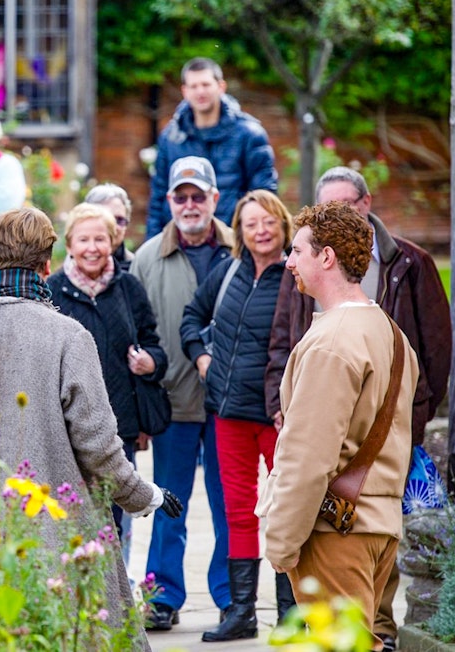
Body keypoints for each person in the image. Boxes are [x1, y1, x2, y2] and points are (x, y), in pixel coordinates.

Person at [0, 207, 183, 649]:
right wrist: (144, 495)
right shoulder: (67, 334)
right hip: (52, 537)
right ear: (48, 263)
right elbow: (99, 448)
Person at [264, 166, 452, 652]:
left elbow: (308, 457)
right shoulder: (390, 333)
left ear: (325, 258)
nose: (289, 262)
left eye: (298, 251)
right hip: (380, 524)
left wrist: (282, 542)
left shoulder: (331, 343)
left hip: (336, 531)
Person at [179, 189, 295, 641]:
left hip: (277, 416)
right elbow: (192, 316)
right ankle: (242, 612)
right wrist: (201, 357)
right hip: (227, 413)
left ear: (283, 226)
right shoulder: (226, 272)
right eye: (251, 224)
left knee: (285, 512)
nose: (261, 231)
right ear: (240, 231)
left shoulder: (295, 277)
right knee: (238, 513)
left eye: (268, 222)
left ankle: (289, 615)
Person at [130, 156, 233, 630]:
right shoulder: (148, 257)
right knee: (167, 504)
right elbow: (136, 334)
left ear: (215, 199)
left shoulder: (240, 249)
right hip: (172, 404)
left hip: (231, 404)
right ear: (169, 201)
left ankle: (234, 596)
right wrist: (141, 411)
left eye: (199, 196)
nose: (190, 205)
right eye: (181, 196)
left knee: (228, 503)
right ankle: (162, 596)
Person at [46, 202, 168, 570]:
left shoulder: (128, 287)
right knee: (71, 518)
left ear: (113, 241)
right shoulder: (52, 290)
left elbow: (154, 343)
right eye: (84, 239)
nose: (92, 247)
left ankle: (112, 603)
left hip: (119, 428)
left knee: (114, 520)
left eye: (100, 238)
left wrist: (150, 363)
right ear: (69, 244)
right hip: (66, 427)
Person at [146, 57, 278, 239]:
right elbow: (158, 197)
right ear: (184, 91)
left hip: (236, 241)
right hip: (184, 241)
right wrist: (152, 247)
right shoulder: (171, 138)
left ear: (221, 86)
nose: (200, 91)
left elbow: (264, 196)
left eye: (206, 84)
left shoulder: (249, 135)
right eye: (193, 86)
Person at [84, 183, 135, 271]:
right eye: (106, 219)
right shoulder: (68, 273)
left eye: (119, 220)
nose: (113, 227)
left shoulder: (137, 269)